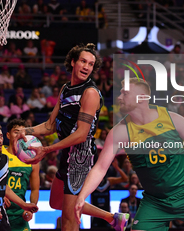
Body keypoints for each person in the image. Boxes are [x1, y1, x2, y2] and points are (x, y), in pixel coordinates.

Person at [74, 78, 184, 231]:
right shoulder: (120, 132)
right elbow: (100, 168)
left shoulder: (173, 120)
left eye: (125, 93)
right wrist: (82, 196)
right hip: (155, 201)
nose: (120, 97)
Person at [12, 43, 129, 231]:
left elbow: (81, 135)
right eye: (83, 61)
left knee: (68, 219)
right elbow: (50, 125)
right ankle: (111, 217)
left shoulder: (90, 93)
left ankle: (109, 218)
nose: (86, 67)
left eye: (91, 64)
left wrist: (46, 149)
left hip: (81, 158)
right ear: (73, 62)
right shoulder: (66, 89)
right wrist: (26, 131)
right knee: (56, 202)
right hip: (67, 153)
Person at [2, 119, 40, 231]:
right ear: (8, 135)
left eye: (23, 133)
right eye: (16, 132)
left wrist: (30, 209)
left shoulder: (32, 160)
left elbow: (35, 190)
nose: (19, 135)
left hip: (20, 213)